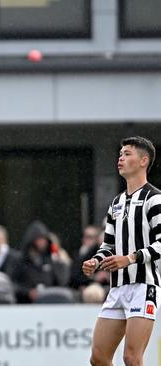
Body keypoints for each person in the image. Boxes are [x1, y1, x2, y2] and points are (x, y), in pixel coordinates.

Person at [83, 136, 161, 366]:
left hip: (143, 286)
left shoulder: (154, 198)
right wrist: (95, 261)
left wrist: (129, 259)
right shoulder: (116, 203)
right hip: (116, 288)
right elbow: (107, 246)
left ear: (143, 160)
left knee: (131, 358)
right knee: (98, 358)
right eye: (120, 154)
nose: (121, 158)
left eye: (127, 154)